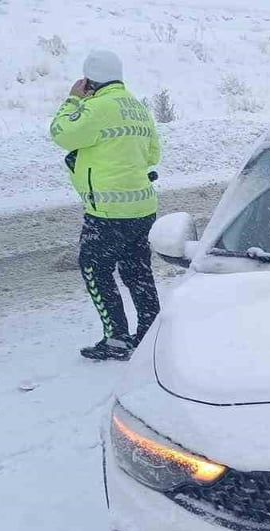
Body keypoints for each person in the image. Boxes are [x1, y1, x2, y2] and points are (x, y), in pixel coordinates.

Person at [49, 50, 161, 361]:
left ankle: (117, 339)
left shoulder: (96, 108)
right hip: (142, 208)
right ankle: (151, 335)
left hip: (108, 213)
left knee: (94, 269)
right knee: (138, 273)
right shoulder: (137, 107)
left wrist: (73, 100)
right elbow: (153, 155)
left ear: (89, 81)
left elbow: (61, 133)